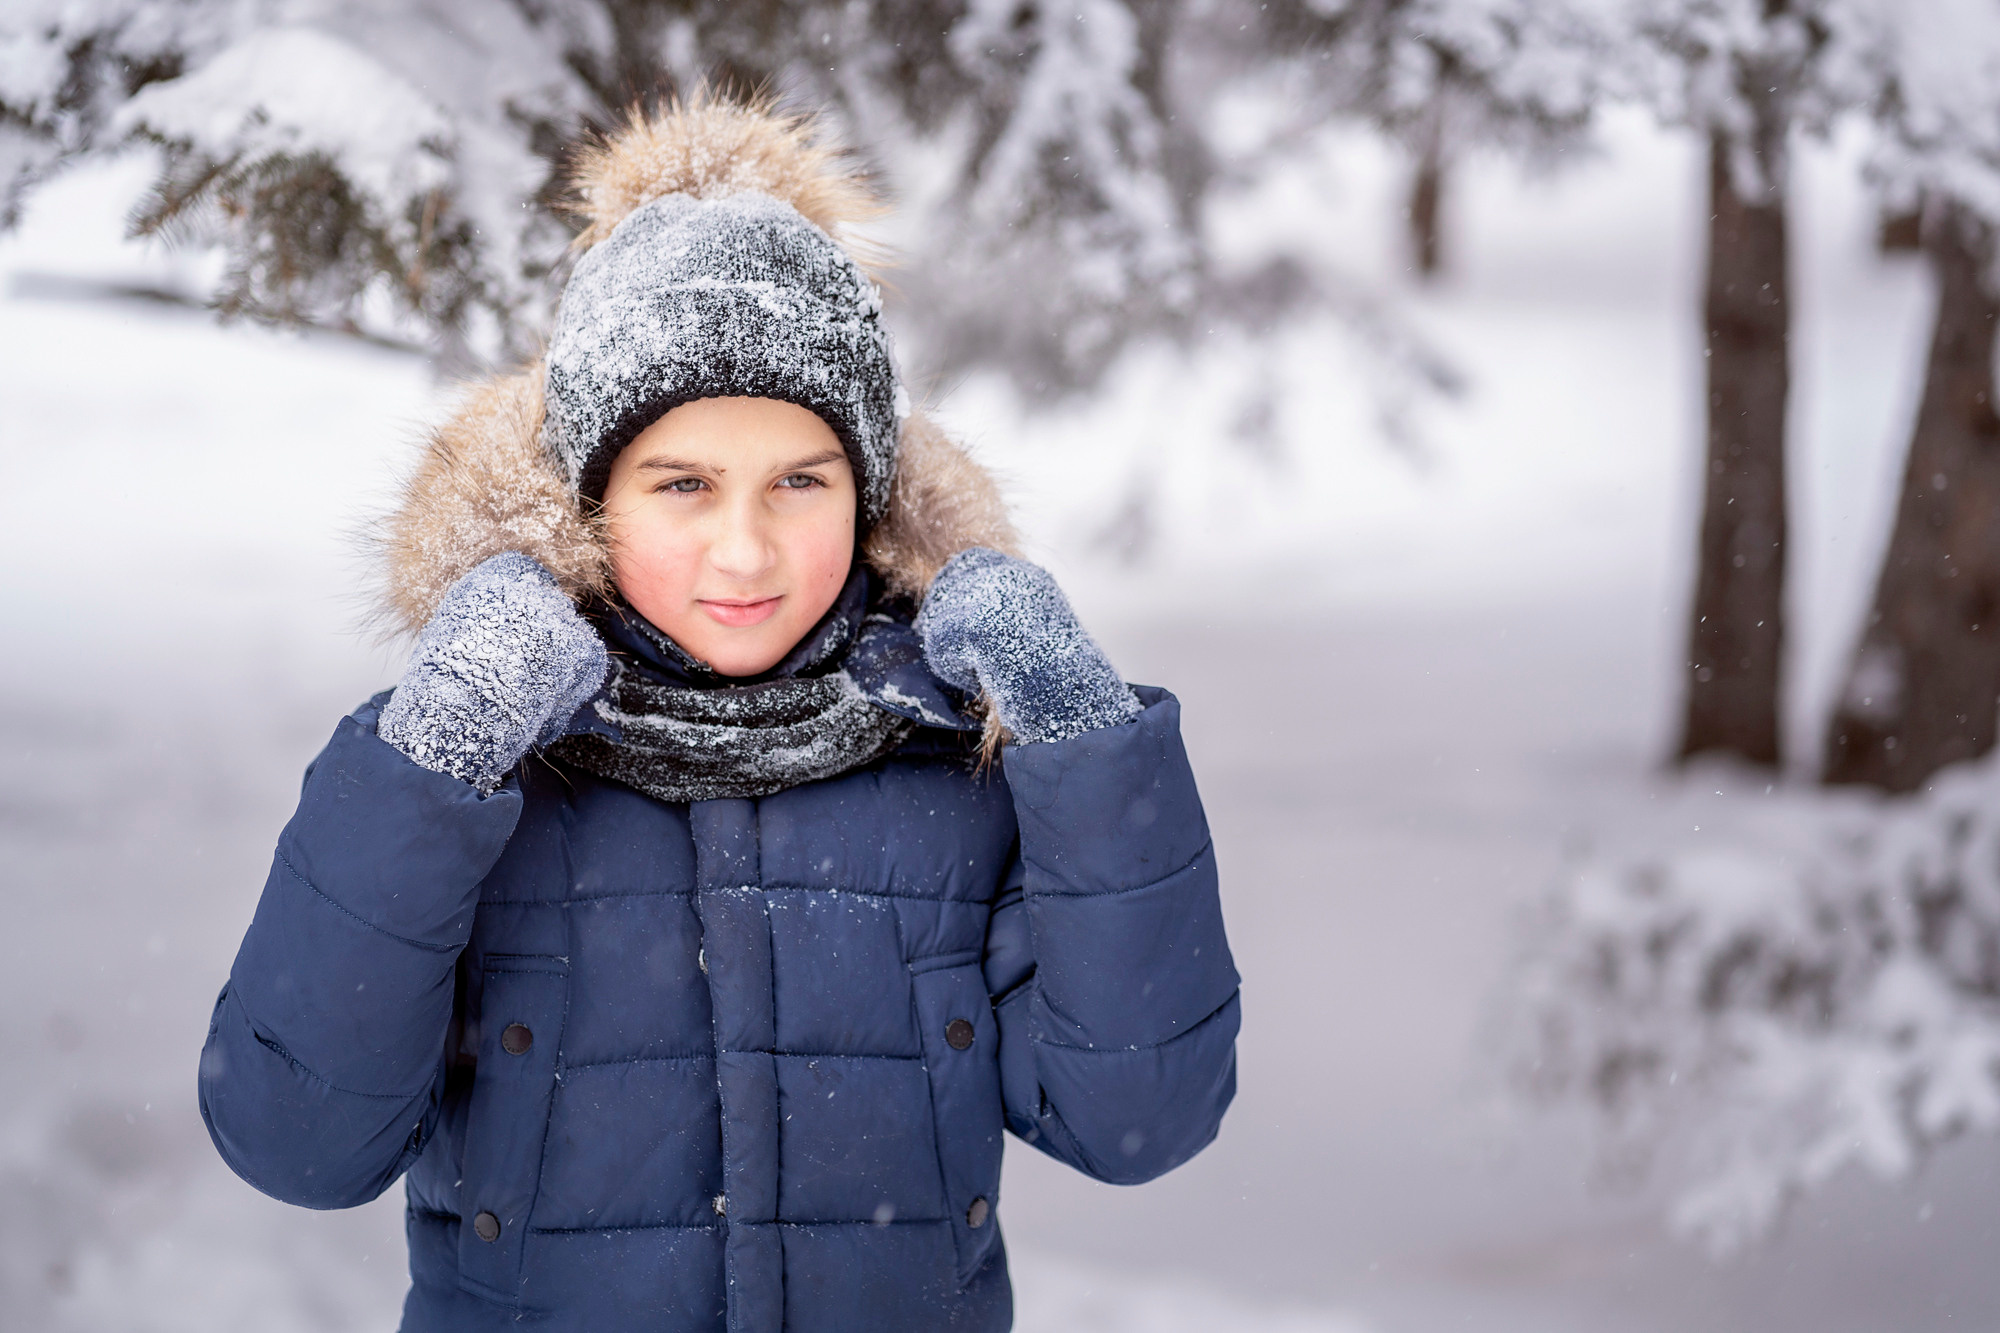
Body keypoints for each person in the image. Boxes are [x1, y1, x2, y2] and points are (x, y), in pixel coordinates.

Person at [197, 94, 1239, 1332]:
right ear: (591, 493)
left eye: (799, 481)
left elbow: (1138, 1116)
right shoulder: (479, 761)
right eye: (682, 483)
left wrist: (1080, 736)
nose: (744, 550)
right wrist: (436, 757)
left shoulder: (948, 761)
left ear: (867, 493)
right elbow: (298, 1140)